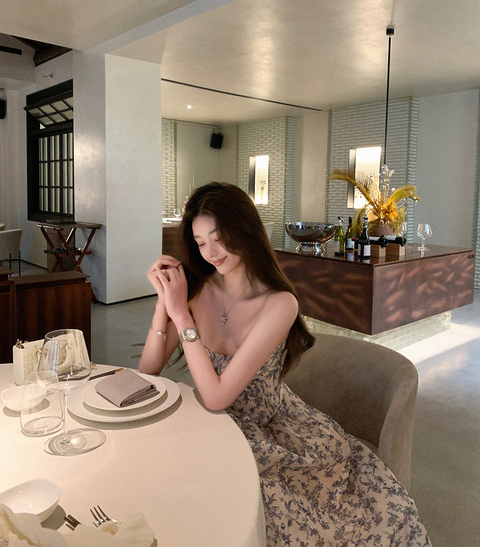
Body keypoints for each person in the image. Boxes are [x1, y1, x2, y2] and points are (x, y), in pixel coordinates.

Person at [140, 182, 432, 547]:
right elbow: (148, 370)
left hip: (270, 429)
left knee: (280, 517)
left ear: (245, 230)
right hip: (208, 424)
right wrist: (163, 305)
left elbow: (217, 397)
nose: (211, 252)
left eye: (219, 238)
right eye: (200, 243)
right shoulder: (197, 289)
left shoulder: (279, 304)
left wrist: (181, 315)